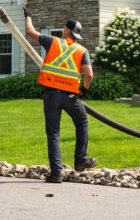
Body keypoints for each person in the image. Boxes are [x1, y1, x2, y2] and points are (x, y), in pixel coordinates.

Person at [27, 15, 96, 183]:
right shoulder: (81, 50)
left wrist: (28, 16)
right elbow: (89, 74)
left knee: (53, 133)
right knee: (81, 123)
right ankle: (80, 160)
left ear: (66, 30)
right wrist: (84, 89)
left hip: (51, 95)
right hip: (71, 96)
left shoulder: (53, 42)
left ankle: (56, 173)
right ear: (76, 35)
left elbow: (30, 32)